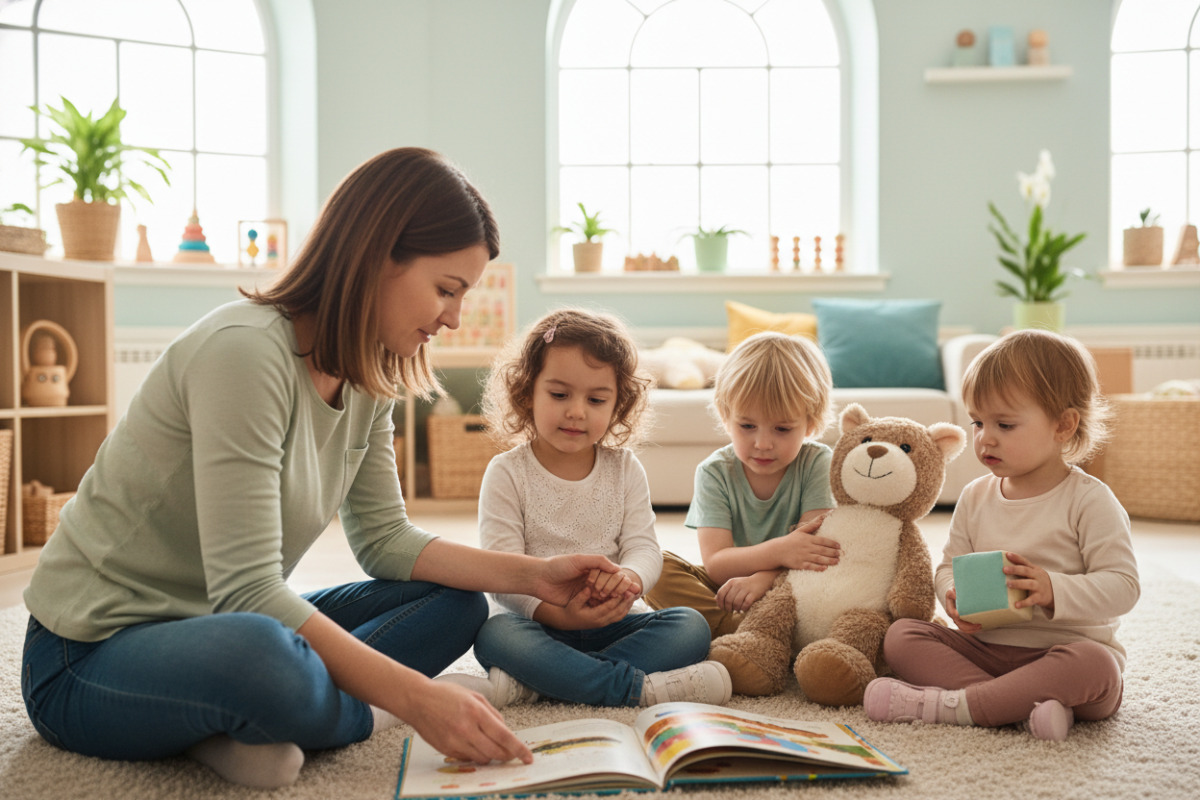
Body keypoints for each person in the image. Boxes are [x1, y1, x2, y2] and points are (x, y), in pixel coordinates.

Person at [20, 148, 621, 789]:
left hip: (219, 627)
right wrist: (416, 699)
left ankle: (245, 725)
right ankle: (348, 713)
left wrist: (538, 578)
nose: (454, 316)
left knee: (456, 605)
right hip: (87, 654)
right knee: (263, 659)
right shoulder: (244, 354)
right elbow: (246, 591)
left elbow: (384, 542)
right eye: (447, 289)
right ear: (375, 254)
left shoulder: (370, 373)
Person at [437, 308, 731, 708]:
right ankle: (633, 689)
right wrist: (559, 616)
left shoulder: (625, 468)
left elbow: (645, 549)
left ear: (618, 406)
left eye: (596, 399)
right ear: (527, 393)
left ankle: (545, 684)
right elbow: (503, 572)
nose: (577, 411)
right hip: (541, 624)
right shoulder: (506, 472)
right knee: (495, 635)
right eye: (559, 395)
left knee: (690, 627)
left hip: (618, 621)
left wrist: (629, 579)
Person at [864, 328, 1139, 741]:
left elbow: (1124, 587)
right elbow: (947, 567)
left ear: (1063, 425)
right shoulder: (975, 497)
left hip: (1061, 654)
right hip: (986, 652)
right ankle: (1020, 708)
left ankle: (962, 706)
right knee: (901, 635)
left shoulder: (1089, 500)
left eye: (1005, 425)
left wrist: (1052, 589)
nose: (984, 438)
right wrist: (952, 595)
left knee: (1097, 668)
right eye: (978, 422)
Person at [644, 331, 841, 638]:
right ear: (725, 417)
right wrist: (780, 550)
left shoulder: (818, 463)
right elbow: (718, 565)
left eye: (782, 429)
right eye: (747, 426)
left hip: (795, 587)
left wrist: (764, 578)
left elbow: (812, 556)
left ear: (811, 424)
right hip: (734, 586)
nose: (762, 443)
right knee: (655, 568)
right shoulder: (714, 473)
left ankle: (743, 634)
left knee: (836, 583)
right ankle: (753, 632)